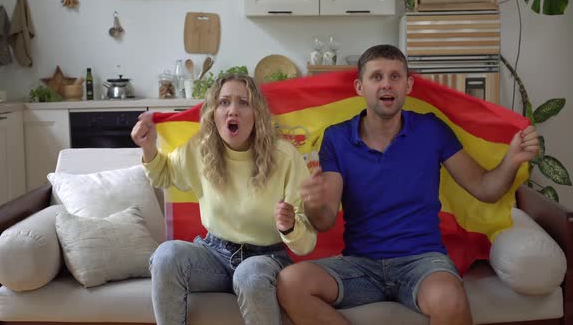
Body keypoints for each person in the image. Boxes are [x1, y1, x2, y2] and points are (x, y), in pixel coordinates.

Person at [276, 44, 539, 325]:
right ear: (359, 87)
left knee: (450, 299)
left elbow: (486, 189)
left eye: (395, 77)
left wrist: (512, 159)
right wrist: (314, 203)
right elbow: (325, 219)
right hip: (360, 264)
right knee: (289, 282)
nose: (386, 84)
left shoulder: (431, 129)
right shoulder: (337, 138)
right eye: (376, 77)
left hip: (423, 261)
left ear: (408, 85)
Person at [131, 73, 317, 325]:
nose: (233, 110)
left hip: (266, 258)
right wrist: (148, 146)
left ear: (257, 114)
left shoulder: (285, 156)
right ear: (213, 114)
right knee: (166, 255)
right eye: (224, 102)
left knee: (248, 274)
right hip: (214, 254)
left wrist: (290, 226)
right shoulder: (199, 148)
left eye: (243, 102)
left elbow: (306, 243)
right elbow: (163, 174)